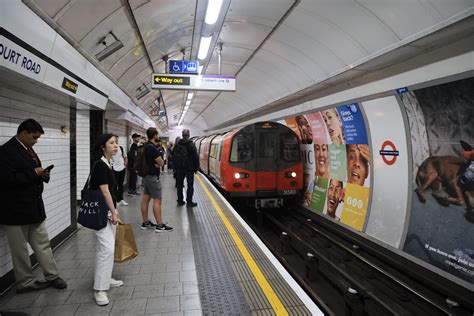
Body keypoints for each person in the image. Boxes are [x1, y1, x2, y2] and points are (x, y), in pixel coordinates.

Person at [0, 119, 67, 293]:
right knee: (20, 249)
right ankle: (25, 283)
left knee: (43, 243)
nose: (36, 141)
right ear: (23, 133)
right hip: (14, 210)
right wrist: (33, 173)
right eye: (34, 137)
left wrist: (42, 174)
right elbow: (6, 180)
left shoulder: (28, 149)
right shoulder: (5, 152)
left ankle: (52, 276)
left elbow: (32, 172)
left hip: (34, 207)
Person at [88, 133, 123, 306]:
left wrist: (113, 210)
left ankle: (106, 278)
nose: (115, 146)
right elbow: (105, 191)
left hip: (108, 211)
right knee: (107, 249)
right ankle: (100, 290)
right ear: (103, 146)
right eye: (111, 143)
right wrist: (114, 212)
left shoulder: (107, 163)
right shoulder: (100, 165)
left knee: (104, 249)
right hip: (102, 213)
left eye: (116, 143)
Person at [140, 127, 173, 232]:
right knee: (157, 200)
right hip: (152, 177)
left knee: (146, 199)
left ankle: (145, 223)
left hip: (146, 176)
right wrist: (159, 163)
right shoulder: (152, 148)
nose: (158, 136)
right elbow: (161, 162)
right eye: (157, 135)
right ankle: (160, 225)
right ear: (154, 135)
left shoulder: (145, 146)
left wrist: (157, 163)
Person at [174, 129, 200, 207]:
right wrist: (196, 168)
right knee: (190, 185)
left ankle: (180, 201)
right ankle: (189, 202)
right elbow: (196, 157)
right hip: (189, 168)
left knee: (179, 185)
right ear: (188, 135)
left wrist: (175, 167)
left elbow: (174, 156)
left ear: (182, 135)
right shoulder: (191, 144)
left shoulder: (178, 144)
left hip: (179, 169)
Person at [111, 135, 128, 206]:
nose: (116, 141)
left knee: (120, 185)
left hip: (122, 168)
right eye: (114, 140)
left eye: (117, 140)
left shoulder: (120, 148)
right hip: (114, 168)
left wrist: (125, 164)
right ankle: (115, 201)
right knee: (114, 185)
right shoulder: (110, 149)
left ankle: (121, 199)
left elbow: (125, 157)